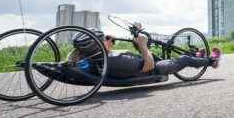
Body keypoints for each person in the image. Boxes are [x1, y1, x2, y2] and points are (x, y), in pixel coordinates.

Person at [70, 29, 221, 79]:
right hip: (154, 68)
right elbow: (148, 66)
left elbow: (74, 55)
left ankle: (198, 58)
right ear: (98, 46)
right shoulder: (116, 60)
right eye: (106, 39)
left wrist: (139, 47)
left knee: (153, 49)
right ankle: (211, 61)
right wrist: (142, 45)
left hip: (139, 62)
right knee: (184, 59)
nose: (110, 40)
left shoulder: (94, 58)